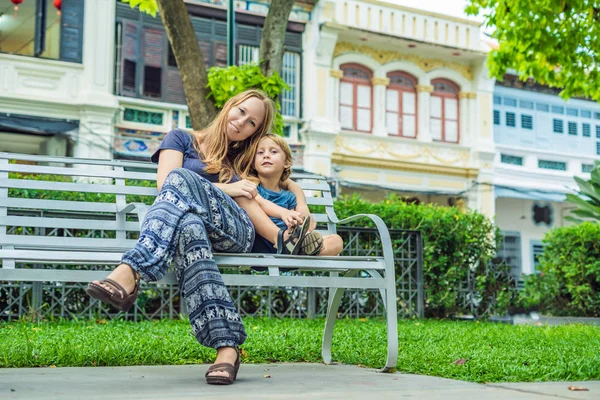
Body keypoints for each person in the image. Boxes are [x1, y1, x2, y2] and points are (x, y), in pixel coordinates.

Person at [86, 89, 313, 385]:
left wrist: (296, 202)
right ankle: (227, 348)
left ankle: (131, 270)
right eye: (241, 111)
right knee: (189, 224)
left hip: (235, 230)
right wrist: (228, 188)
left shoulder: (243, 157)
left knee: (181, 178)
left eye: (252, 123)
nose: (242, 122)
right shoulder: (180, 138)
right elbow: (164, 187)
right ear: (230, 105)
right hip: (190, 230)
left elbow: (282, 177)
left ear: (255, 132)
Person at [251, 134, 344, 256]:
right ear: (253, 163)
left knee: (337, 241)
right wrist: (284, 213)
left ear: (287, 162)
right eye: (260, 153)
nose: (266, 155)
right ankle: (302, 248)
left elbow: (300, 219)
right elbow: (261, 203)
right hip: (264, 242)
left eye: (273, 152)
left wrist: (302, 223)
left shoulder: (289, 196)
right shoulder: (251, 185)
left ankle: (304, 248)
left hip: (291, 240)